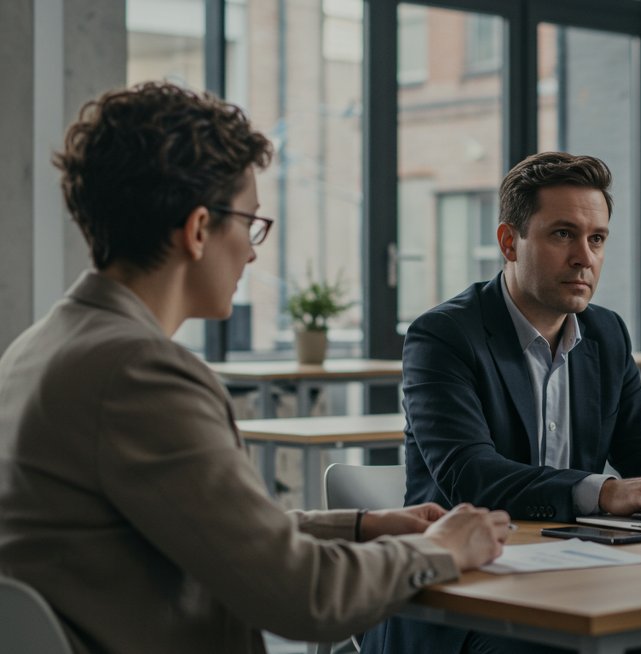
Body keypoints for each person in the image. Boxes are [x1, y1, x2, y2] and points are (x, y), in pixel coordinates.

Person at [0, 82, 511, 654]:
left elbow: (206, 532)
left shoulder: (39, 348)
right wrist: (439, 549)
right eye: (250, 222)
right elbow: (303, 596)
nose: (251, 250)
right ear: (198, 230)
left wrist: (361, 526)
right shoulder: (138, 373)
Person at [361, 152, 641, 654]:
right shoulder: (444, 335)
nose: (584, 257)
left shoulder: (606, 332)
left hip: (581, 579)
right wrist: (604, 492)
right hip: (464, 593)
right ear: (509, 242)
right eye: (562, 234)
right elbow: (471, 473)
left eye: (596, 239)